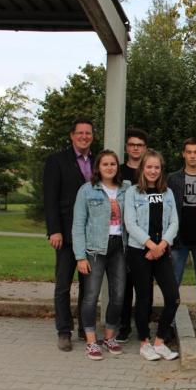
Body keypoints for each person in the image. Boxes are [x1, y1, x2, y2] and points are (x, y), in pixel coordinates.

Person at [72, 150, 130, 360]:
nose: (109, 167)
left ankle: (109, 337)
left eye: (113, 164)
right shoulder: (87, 190)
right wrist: (80, 256)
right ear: (98, 167)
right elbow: (78, 225)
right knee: (91, 296)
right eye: (105, 164)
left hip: (119, 248)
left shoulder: (127, 189)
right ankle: (90, 341)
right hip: (95, 249)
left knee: (118, 295)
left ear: (117, 167)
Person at [124, 150, 180, 361]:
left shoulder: (168, 193)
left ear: (160, 169)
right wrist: (150, 245)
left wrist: (162, 245)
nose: (153, 171)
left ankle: (160, 341)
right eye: (149, 167)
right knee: (144, 298)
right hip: (139, 252)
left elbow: (174, 222)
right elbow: (130, 224)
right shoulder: (132, 192)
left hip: (162, 251)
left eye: (157, 167)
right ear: (142, 168)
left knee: (173, 297)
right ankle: (144, 342)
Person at [44, 117, 94, 351]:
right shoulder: (57, 161)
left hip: (90, 235)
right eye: (80, 133)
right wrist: (54, 230)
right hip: (65, 234)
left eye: (88, 133)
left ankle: (86, 328)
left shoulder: (97, 161)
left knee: (88, 286)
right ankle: (64, 331)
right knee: (63, 284)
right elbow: (50, 199)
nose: (84, 136)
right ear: (72, 135)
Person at [167, 138, 196, 339]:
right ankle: (171, 320)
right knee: (175, 279)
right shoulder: (173, 178)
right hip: (179, 234)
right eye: (189, 152)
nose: (192, 155)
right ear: (183, 154)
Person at [117, 128, 150, 343]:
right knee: (124, 284)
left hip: (147, 238)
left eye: (139, 144)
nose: (135, 148)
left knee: (144, 286)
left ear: (145, 148)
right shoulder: (118, 172)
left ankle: (143, 327)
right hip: (121, 235)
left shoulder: (150, 170)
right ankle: (123, 326)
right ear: (127, 147)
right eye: (132, 144)